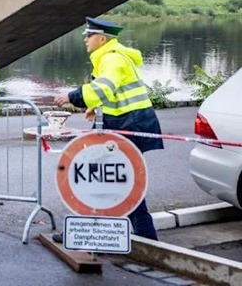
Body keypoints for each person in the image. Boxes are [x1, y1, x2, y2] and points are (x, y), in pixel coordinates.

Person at [54, 16, 163, 241]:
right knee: (112, 178)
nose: (85, 39)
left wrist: (71, 96)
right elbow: (111, 92)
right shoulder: (108, 57)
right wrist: (95, 107)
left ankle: (90, 232)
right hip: (123, 124)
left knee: (108, 178)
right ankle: (140, 235)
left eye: (89, 35)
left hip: (128, 125)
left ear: (102, 39)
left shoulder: (112, 59)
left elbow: (102, 88)